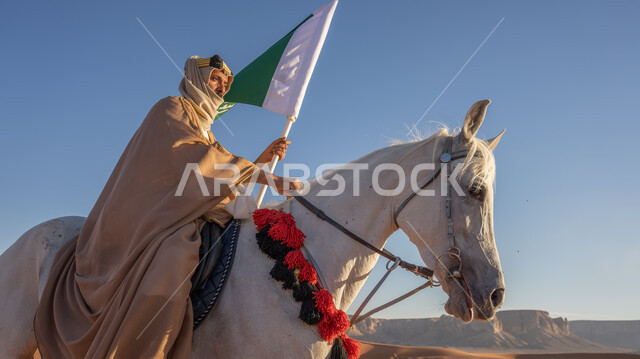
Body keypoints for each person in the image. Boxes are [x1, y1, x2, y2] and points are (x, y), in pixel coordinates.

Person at [34, 54, 302, 358]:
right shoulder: (171, 108)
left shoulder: (207, 131)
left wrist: (260, 160)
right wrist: (264, 176)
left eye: (225, 85)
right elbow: (194, 165)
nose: (221, 89)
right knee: (177, 255)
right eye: (216, 79)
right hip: (148, 217)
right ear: (197, 78)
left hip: (185, 212)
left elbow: (215, 176)